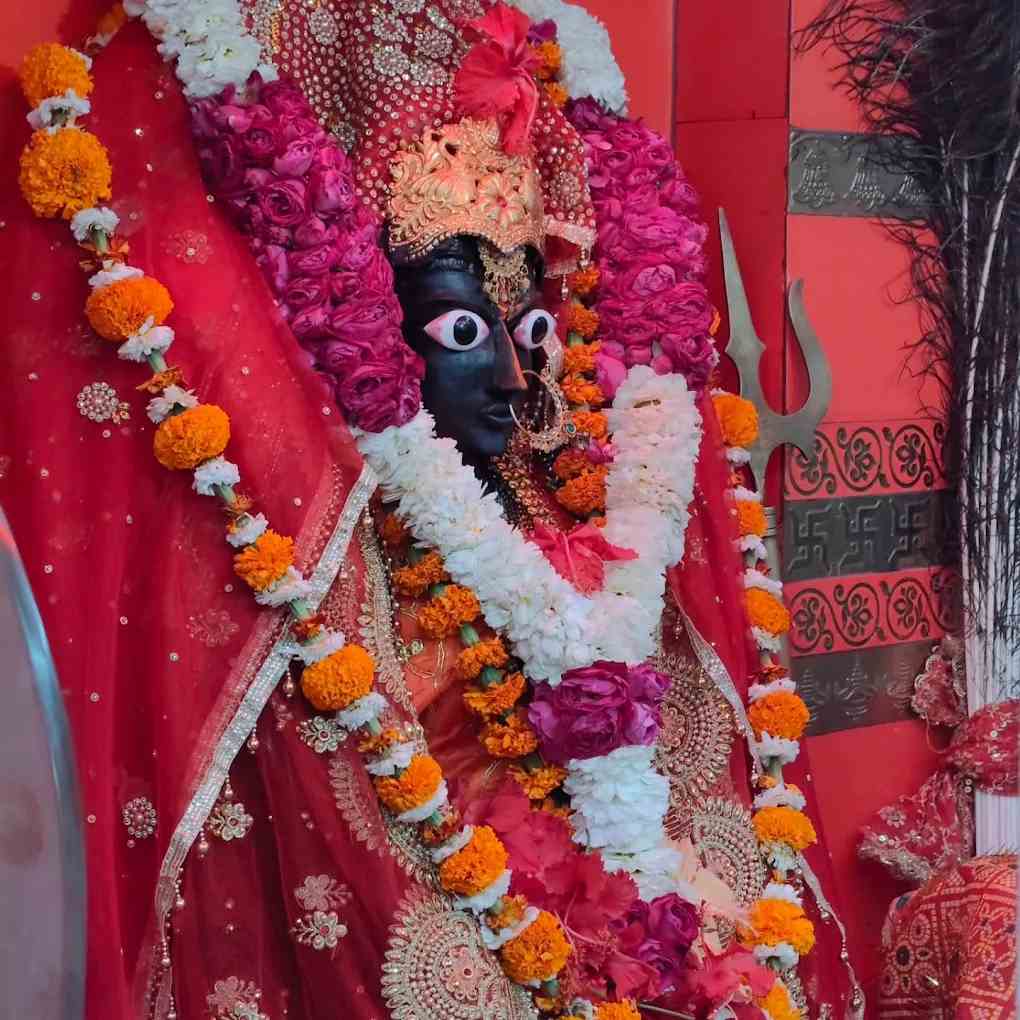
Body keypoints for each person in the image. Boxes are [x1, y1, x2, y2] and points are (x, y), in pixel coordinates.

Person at [0, 1, 854, 1017]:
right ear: (369, 331)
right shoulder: (327, 553)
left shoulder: (572, 514)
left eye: (528, 332)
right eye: (459, 331)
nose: (510, 378)